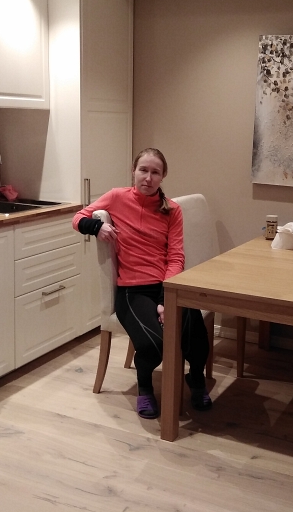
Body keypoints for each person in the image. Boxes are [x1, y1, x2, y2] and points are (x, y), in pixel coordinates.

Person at [72, 148, 212, 419]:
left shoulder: (172, 210)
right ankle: (145, 387)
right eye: (143, 170)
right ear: (133, 171)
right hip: (132, 290)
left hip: (166, 285)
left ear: (163, 176)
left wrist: (165, 298)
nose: (148, 177)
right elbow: (77, 219)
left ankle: (196, 379)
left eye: (155, 172)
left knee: (195, 332)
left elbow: (176, 257)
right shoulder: (116, 197)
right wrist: (97, 227)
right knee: (153, 345)